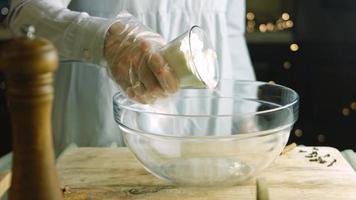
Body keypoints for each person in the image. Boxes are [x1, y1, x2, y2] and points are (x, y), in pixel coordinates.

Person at [4, 0, 255, 154]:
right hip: (99, 120)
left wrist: (248, 119)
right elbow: (26, 14)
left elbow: (230, 32)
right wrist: (108, 41)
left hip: (207, 130)